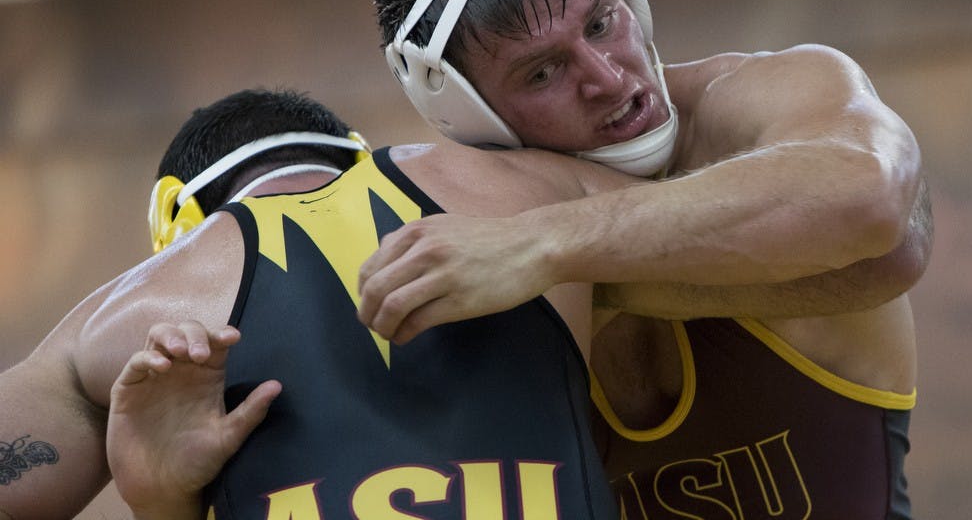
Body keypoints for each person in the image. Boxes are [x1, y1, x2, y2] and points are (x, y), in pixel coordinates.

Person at [355, 0, 931, 518]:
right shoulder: (464, 235)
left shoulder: (762, 99)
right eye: (542, 72)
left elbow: (872, 202)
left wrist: (546, 249)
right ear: (468, 113)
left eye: (603, 22)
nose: (606, 77)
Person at [5, 87, 665, 518]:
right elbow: (765, 209)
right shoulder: (529, 192)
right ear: (356, 157)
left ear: (178, 219)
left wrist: (161, 505)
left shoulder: (139, 310)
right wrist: (551, 243)